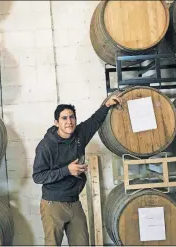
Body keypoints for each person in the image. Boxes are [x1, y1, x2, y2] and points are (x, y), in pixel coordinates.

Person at [32, 95, 122, 246]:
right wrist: (67, 170)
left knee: (82, 243)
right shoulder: (46, 145)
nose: (69, 121)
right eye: (64, 118)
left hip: (74, 201)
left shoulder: (79, 135)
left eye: (72, 117)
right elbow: (38, 176)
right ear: (56, 122)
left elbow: (95, 121)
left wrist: (107, 105)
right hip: (53, 204)